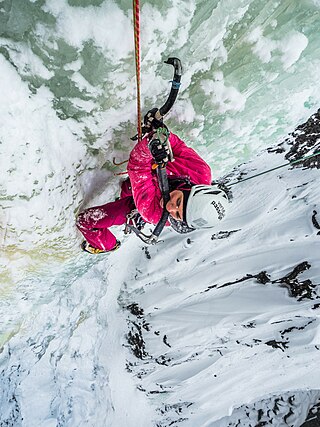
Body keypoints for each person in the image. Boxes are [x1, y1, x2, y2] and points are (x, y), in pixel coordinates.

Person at [76, 110, 230, 254]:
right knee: (128, 186)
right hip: (151, 182)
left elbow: (137, 167)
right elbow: (177, 146)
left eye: (176, 215)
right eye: (178, 202)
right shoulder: (200, 171)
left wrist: (150, 145)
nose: (169, 208)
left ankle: (107, 245)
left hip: (144, 202)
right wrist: (160, 136)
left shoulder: (154, 213)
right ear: (189, 189)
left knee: (85, 221)